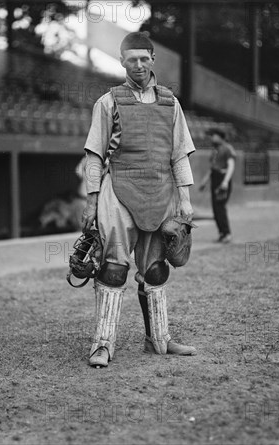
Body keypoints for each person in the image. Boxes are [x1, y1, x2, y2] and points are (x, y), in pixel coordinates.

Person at [81, 32, 197, 368]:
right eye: (132, 59)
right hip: (119, 192)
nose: (139, 65)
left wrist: (185, 200)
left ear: (152, 59)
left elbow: (179, 155)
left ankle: (159, 340)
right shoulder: (109, 102)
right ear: (122, 62)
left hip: (161, 195)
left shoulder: (170, 103)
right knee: (114, 269)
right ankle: (102, 344)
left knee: (157, 270)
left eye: (144, 58)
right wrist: (91, 201)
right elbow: (94, 155)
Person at [199, 128, 236, 243]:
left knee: (220, 207)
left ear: (220, 137)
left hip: (222, 178)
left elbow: (231, 166)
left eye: (214, 136)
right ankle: (221, 233)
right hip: (215, 178)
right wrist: (205, 181)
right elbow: (213, 168)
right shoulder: (215, 150)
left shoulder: (227, 149)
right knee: (215, 208)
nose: (212, 138)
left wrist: (225, 182)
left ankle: (227, 233)